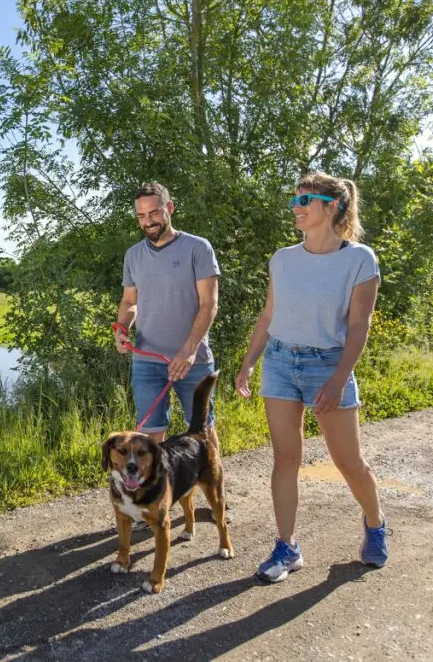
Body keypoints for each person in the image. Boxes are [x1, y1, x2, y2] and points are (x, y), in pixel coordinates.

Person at [235, 171, 388, 583]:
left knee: (348, 461)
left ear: (332, 205)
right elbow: (269, 314)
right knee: (286, 459)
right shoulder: (282, 259)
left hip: (329, 364)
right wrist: (249, 362)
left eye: (305, 201)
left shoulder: (359, 259)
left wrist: (338, 379)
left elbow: (359, 326)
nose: (296, 208)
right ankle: (287, 547)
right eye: (294, 201)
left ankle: (375, 524)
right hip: (281, 362)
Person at [114, 182, 221, 445]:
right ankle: (160, 476)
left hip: (193, 361)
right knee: (148, 438)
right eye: (141, 215)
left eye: (154, 213)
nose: (148, 221)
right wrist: (122, 330)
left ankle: (214, 474)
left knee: (202, 433)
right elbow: (129, 301)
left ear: (169, 208)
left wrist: (188, 351)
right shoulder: (133, 255)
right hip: (147, 362)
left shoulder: (198, 248)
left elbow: (209, 304)